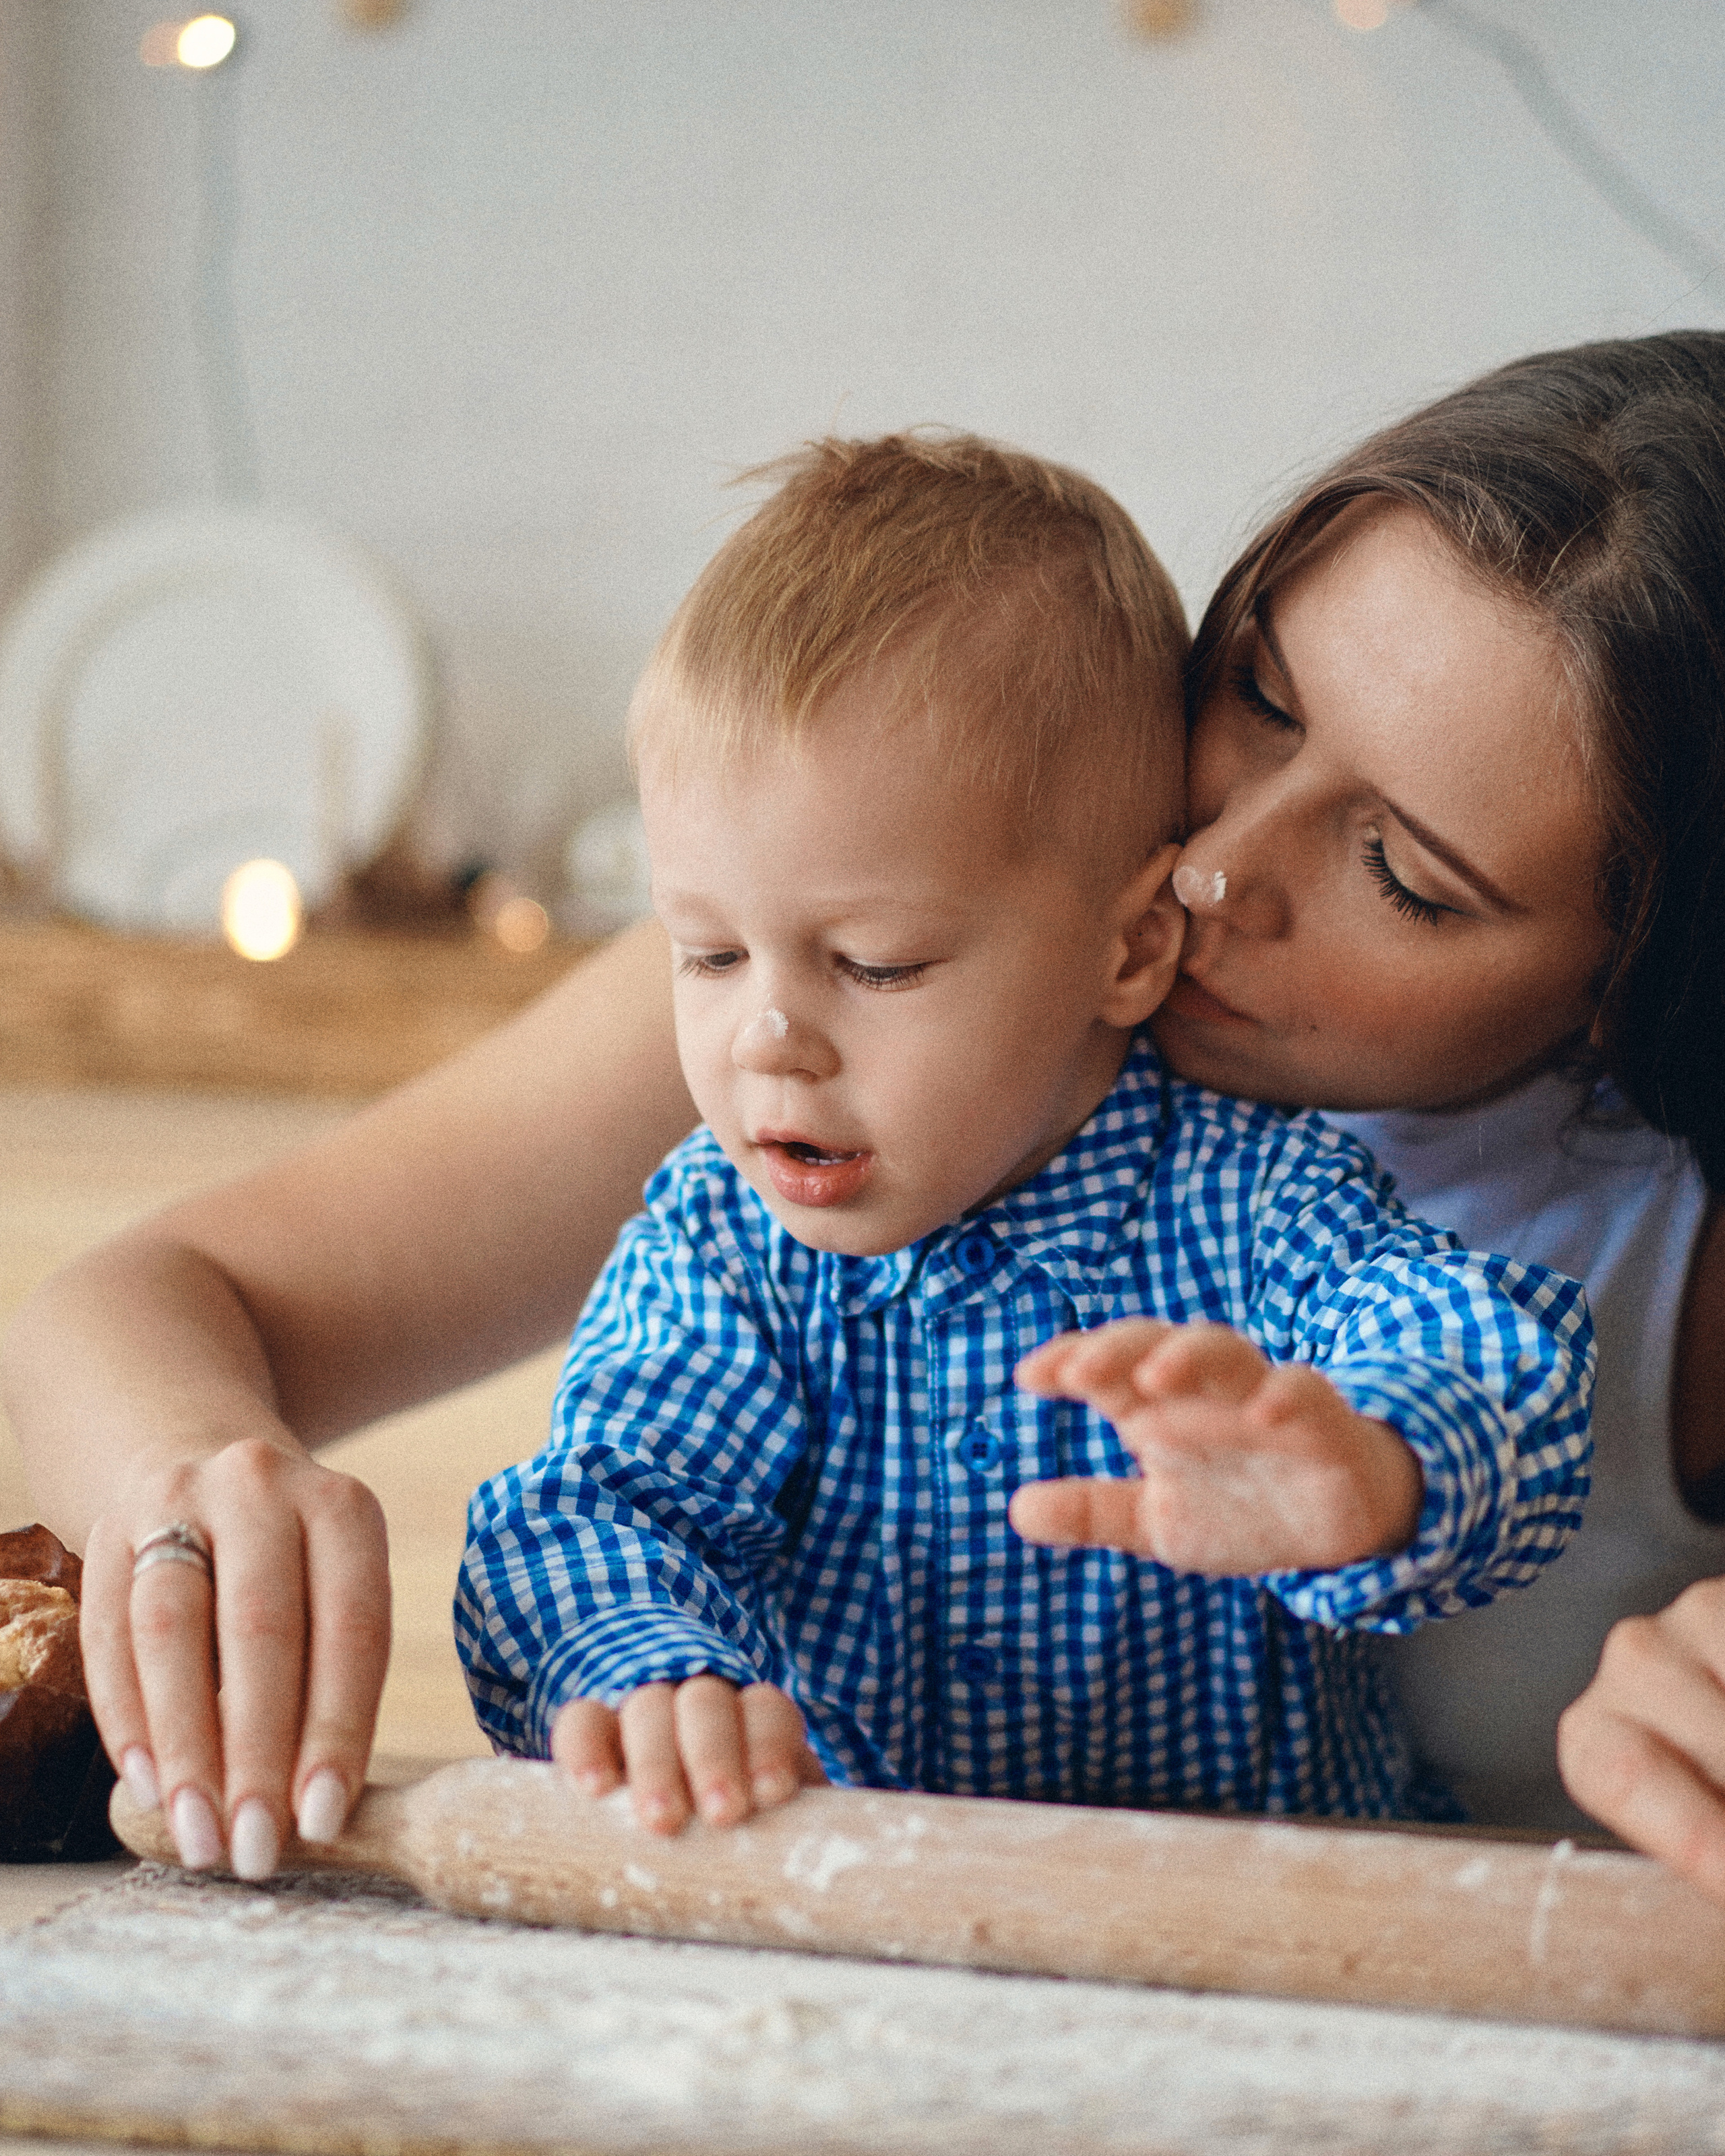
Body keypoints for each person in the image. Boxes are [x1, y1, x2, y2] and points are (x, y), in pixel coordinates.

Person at [5, 331, 1722, 1882]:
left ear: (1630, 983)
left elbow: (1481, 1360)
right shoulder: (833, 962)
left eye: (1399, 875)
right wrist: (194, 1487)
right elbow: (142, 1308)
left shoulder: (1469, 1213)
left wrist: (1380, 1464)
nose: (1205, 872)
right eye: (1257, 695)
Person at [458, 432, 1590, 1833]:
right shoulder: (725, 1245)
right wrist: (646, 1671)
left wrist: (1373, 1458)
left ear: (1125, 950)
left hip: (1256, 1947)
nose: (767, 1037)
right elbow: (596, 1509)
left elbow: (1487, 1346)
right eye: (704, 953)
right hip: (864, 1945)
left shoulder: (1246, 1194)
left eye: (874, 964)